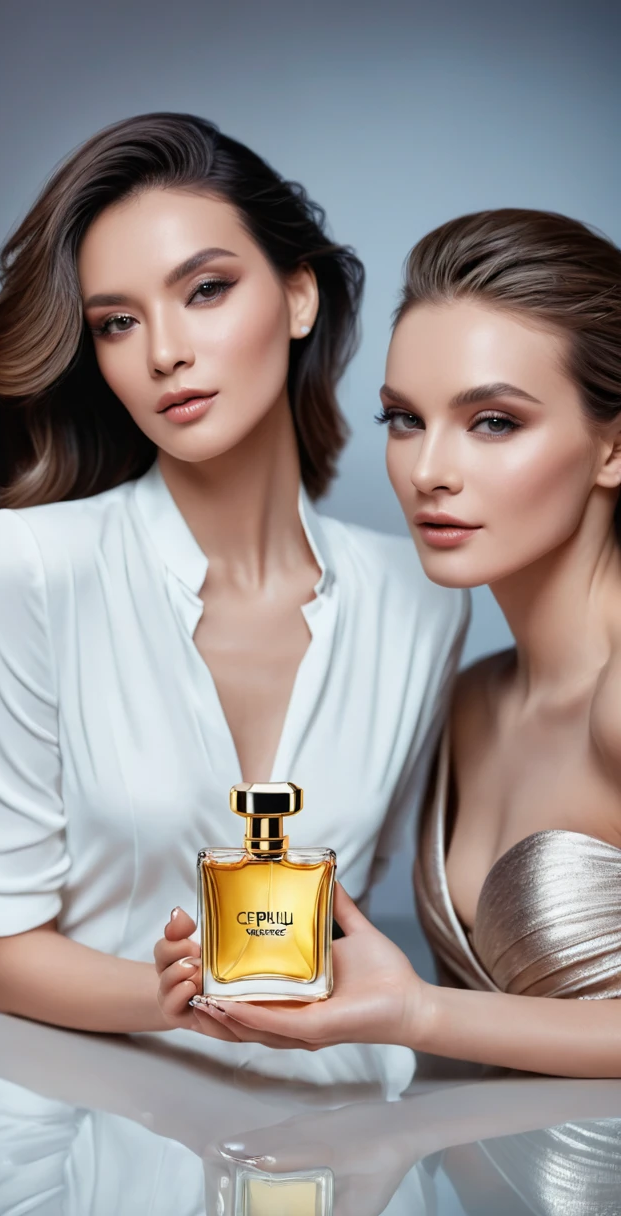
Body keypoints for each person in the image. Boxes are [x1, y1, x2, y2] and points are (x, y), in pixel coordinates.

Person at [0, 113, 467, 1046]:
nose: (163, 353)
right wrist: (179, 1005)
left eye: (207, 290)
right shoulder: (33, 563)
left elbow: (358, 911)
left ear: (299, 296)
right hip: (109, 1145)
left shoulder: (422, 598)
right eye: (117, 322)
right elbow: (6, 951)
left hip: (340, 1138)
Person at [172, 209, 621, 1077]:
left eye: (493, 422)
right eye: (405, 420)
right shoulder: (472, 697)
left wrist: (417, 1013)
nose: (427, 472)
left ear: (612, 446)